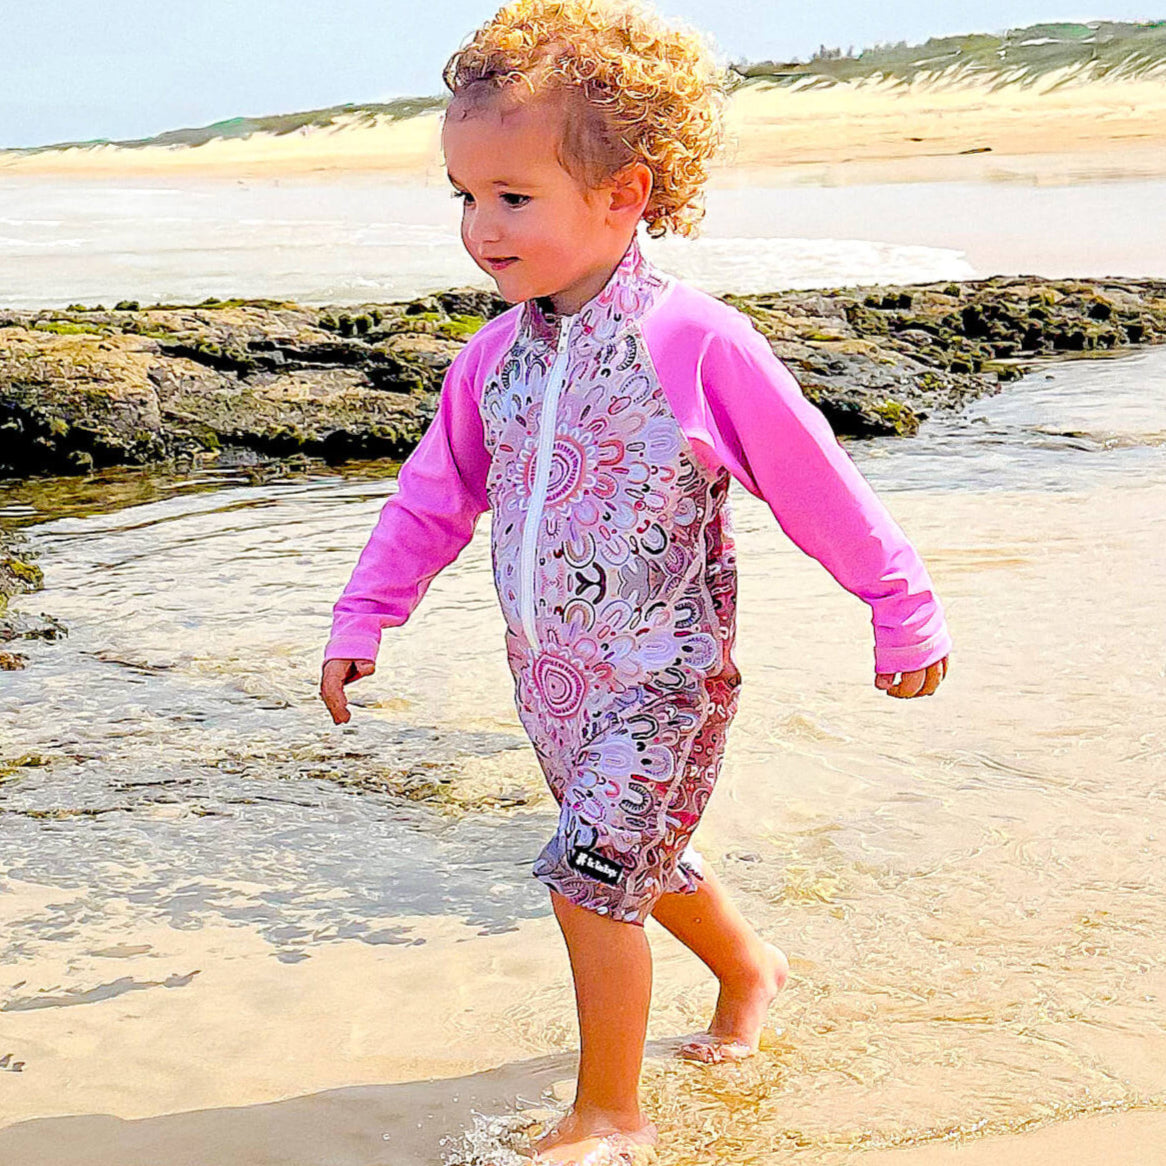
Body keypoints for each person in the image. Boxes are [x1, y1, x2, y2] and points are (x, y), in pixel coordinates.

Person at [319, 0, 951, 1161]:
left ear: (624, 193)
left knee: (590, 872)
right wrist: (366, 611)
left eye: (514, 196)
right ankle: (749, 965)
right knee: (633, 860)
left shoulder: (694, 342)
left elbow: (815, 486)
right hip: (549, 681)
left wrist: (897, 606)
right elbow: (431, 496)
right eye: (465, 196)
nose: (481, 228)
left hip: (662, 678)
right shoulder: (492, 358)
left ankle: (609, 1113)